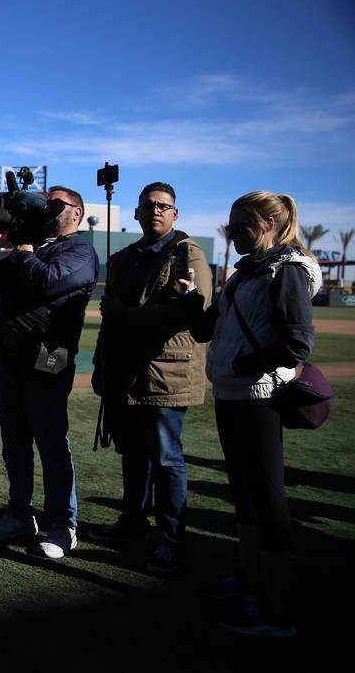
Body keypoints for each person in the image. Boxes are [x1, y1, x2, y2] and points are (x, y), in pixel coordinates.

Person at [190, 191, 320, 637]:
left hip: (259, 394)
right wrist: (194, 303)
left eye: (243, 223)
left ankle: (277, 610)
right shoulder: (247, 269)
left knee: (267, 497)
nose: (234, 231)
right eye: (231, 223)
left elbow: (298, 342)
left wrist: (249, 363)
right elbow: (210, 328)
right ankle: (249, 581)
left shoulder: (287, 270)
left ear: (269, 223)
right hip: (231, 392)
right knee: (244, 494)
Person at [88, 182, 212, 574]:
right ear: (137, 214)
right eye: (149, 206)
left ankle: (173, 541)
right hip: (125, 372)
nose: (156, 210)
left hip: (166, 372)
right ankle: (132, 523)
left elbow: (190, 312)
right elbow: (109, 317)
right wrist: (101, 365)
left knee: (167, 459)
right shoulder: (126, 257)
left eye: (165, 206)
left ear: (175, 214)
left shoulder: (188, 252)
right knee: (132, 453)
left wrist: (126, 315)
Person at [0, 186, 98, 559]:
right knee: (14, 442)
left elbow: (48, 282)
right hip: (13, 355)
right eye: (46, 203)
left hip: (48, 358)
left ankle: (64, 526)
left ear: (76, 214)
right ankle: (20, 513)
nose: (47, 208)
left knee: (50, 443)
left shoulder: (80, 251)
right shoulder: (30, 248)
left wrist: (25, 255)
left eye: (57, 204)